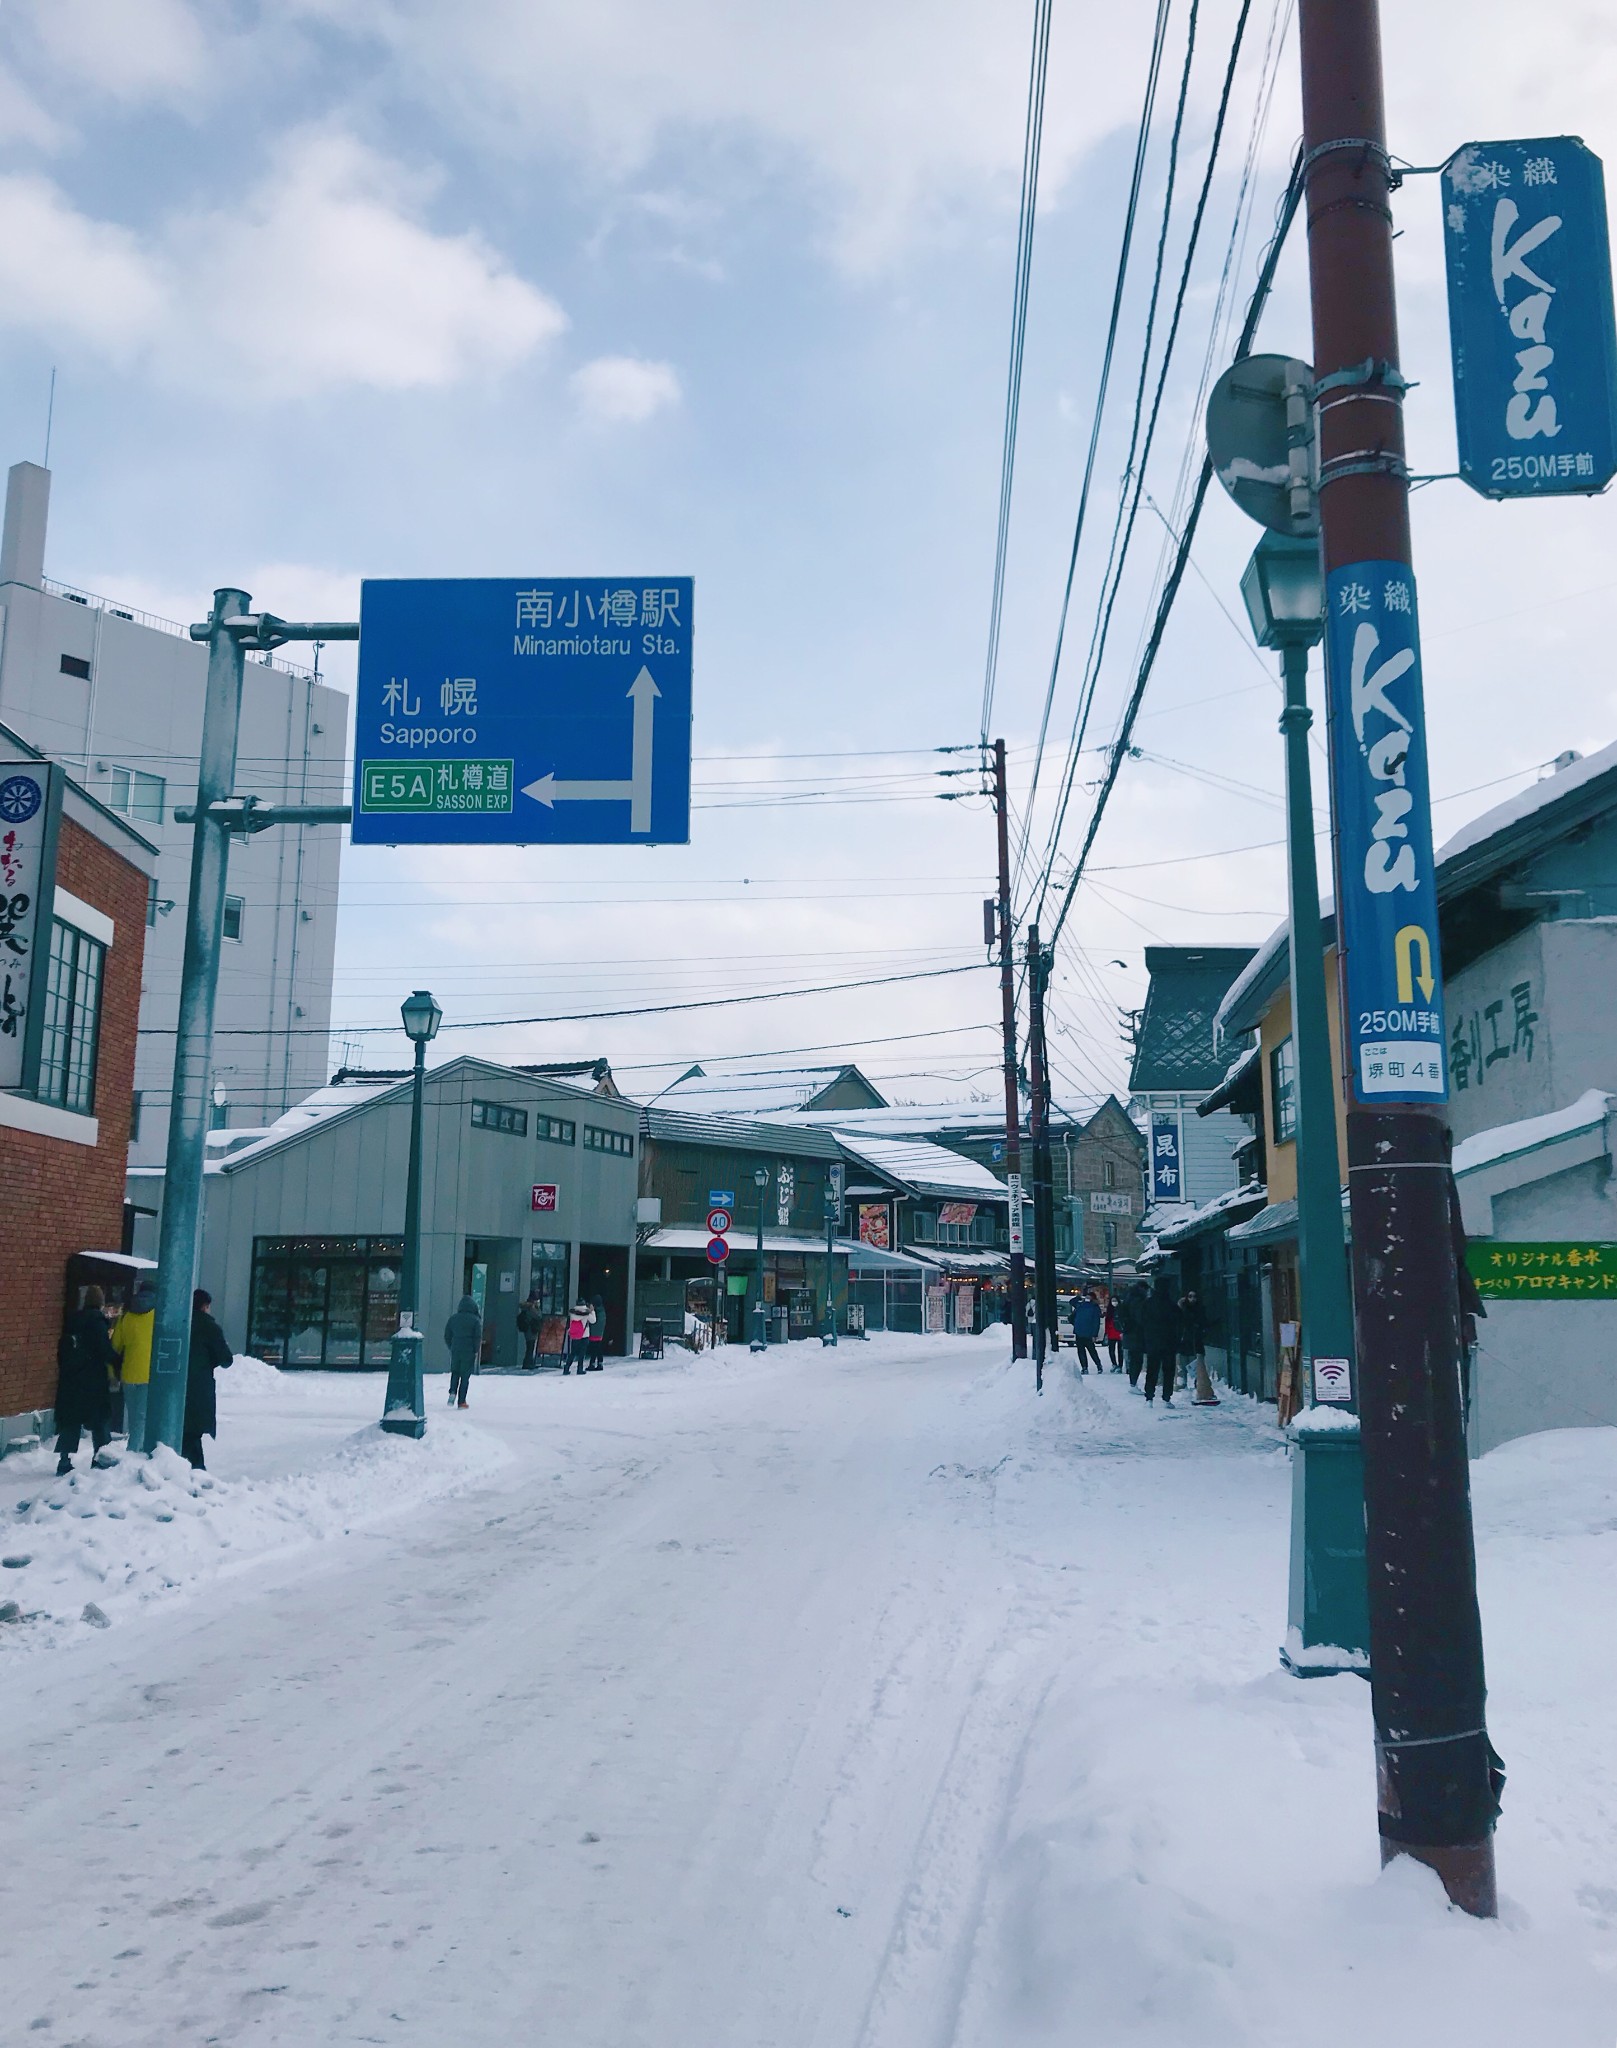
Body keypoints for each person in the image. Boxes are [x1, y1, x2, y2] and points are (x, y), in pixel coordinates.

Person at [55, 1284, 118, 1476]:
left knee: (71, 1420)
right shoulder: (97, 1322)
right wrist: (119, 1360)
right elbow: (103, 1350)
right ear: (100, 1302)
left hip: (71, 1379)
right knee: (100, 1418)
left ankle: (64, 1459)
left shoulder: (73, 1320)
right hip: (92, 1380)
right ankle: (100, 1457)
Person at [184, 1288, 233, 1469]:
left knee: (184, 1433)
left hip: (175, 1386)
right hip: (199, 1386)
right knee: (192, 1433)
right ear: (205, 1306)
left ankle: (189, 1469)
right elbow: (226, 1359)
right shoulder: (209, 1327)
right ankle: (196, 1472)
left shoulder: (179, 1322)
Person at [112, 1279, 157, 1452]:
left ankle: (136, 1450)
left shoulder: (127, 1316)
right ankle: (135, 1453)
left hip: (129, 1374)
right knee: (144, 1418)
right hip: (149, 1375)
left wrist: (112, 1373)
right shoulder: (158, 1315)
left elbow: (115, 1346)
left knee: (134, 1419)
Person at [1141, 1275, 1180, 1407]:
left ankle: (1149, 1398)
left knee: (1152, 1370)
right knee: (1168, 1371)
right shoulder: (1171, 1303)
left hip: (1152, 1342)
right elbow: (1179, 1322)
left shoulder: (1148, 1303)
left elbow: (1142, 1321)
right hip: (1169, 1342)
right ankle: (1166, 1398)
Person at [1179, 1287, 1218, 1405]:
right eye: (1190, 1296)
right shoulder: (1182, 1309)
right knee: (1184, 1362)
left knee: (1198, 1363)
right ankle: (1184, 1382)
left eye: (1194, 1296)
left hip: (1196, 1339)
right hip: (1185, 1340)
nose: (1192, 1299)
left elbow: (1204, 1322)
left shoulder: (1200, 1309)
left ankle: (1199, 1383)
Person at [444, 1293, 482, 1408]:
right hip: (468, 1350)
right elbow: (477, 1337)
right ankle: (461, 1401)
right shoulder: (475, 1320)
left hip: (456, 1348)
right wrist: (475, 1349)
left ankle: (452, 1393)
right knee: (465, 1376)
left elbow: (447, 1335)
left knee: (455, 1372)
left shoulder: (453, 1318)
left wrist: (451, 1346)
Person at [1118, 1281, 1148, 1387]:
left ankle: (1133, 1382)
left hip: (1128, 1333)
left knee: (1133, 1358)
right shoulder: (1139, 1300)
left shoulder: (1128, 1298)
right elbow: (1140, 1318)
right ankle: (1133, 1383)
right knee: (1137, 1360)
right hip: (1137, 1333)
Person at [1068, 1288, 1103, 1374]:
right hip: (1081, 1331)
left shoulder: (1094, 1307)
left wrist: (1094, 1334)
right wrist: (1078, 1297)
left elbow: (1096, 1321)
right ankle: (1085, 1367)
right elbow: (1071, 1302)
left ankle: (1097, 1365)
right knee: (1082, 1351)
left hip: (1087, 1333)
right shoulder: (1081, 1305)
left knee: (1091, 1350)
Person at [564, 1299, 593, 1375]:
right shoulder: (587, 1312)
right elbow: (593, 1320)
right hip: (584, 1334)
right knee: (582, 1353)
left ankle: (566, 1368)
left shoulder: (573, 1312)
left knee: (572, 1352)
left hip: (575, 1335)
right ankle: (580, 1369)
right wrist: (592, 1311)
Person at [517, 1292, 543, 1371]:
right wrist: (537, 1307)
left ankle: (528, 1363)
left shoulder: (526, 1307)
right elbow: (538, 1315)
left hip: (528, 1329)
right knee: (530, 1347)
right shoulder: (531, 1308)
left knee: (529, 1347)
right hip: (531, 1330)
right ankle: (528, 1363)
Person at [1104, 1292, 1123, 1370]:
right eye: (1112, 1300)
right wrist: (1106, 1332)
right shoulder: (1109, 1311)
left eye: (1115, 1300)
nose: (1114, 1302)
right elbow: (1107, 1322)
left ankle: (1120, 1365)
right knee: (1111, 1350)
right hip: (1111, 1333)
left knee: (1120, 1351)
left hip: (1119, 1333)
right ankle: (1114, 1364)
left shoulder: (1121, 1310)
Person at [588, 1292, 607, 1372]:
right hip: (600, 1333)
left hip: (593, 1332)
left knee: (594, 1348)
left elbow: (593, 1321)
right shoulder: (602, 1311)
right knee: (598, 1348)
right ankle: (600, 1363)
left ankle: (592, 1363)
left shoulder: (595, 1311)